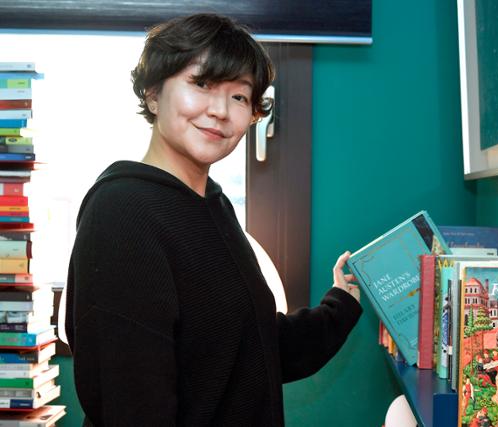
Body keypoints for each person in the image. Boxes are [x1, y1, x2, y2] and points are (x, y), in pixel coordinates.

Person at [65, 13, 362, 427]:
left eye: (239, 96)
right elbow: (132, 405)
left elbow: (250, 349)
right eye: (202, 84)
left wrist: (340, 304)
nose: (221, 111)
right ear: (153, 94)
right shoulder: (123, 211)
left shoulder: (212, 205)